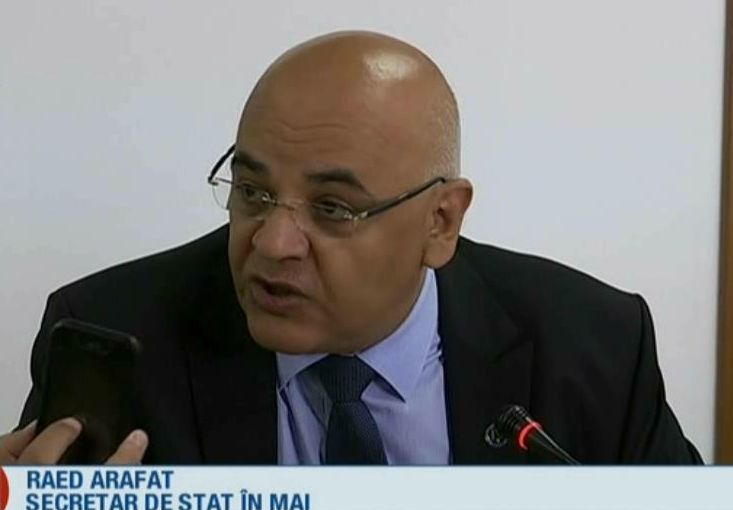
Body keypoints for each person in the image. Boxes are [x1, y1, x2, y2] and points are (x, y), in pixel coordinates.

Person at [3, 31, 701, 465]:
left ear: (440, 222)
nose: (272, 243)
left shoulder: (592, 347)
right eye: (252, 191)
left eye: (334, 208)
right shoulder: (118, 335)